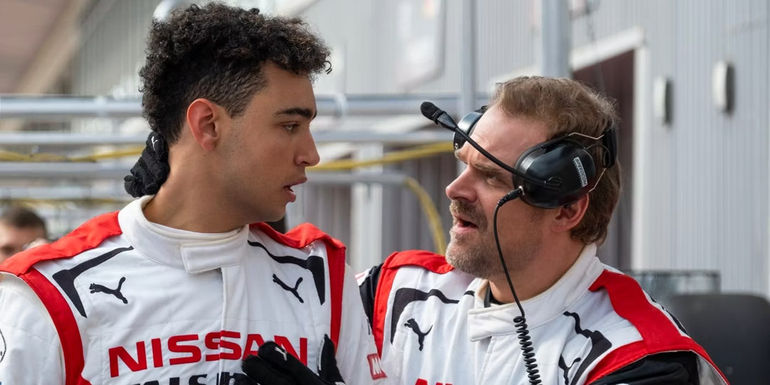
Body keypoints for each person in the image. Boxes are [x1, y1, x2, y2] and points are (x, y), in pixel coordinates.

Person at [0, 4, 385, 385]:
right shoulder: (48, 294)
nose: (311, 155)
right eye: (289, 126)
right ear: (208, 125)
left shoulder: (324, 280)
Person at [357, 76, 728, 384]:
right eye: (465, 165)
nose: (454, 189)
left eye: (490, 176)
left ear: (567, 210)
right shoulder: (394, 295)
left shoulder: (640, 359)